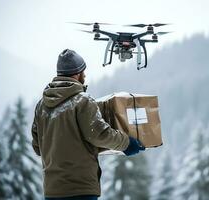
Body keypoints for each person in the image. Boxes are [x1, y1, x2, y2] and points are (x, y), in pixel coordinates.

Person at [31, 49, 145, 200]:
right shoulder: (82, 100)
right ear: (77, 73)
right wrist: (127, 143)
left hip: (52, 191)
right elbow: (99, 134)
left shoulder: (41, 106)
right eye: (83, 72)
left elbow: (37, 147)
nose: (84, 76)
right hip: (80, 190)